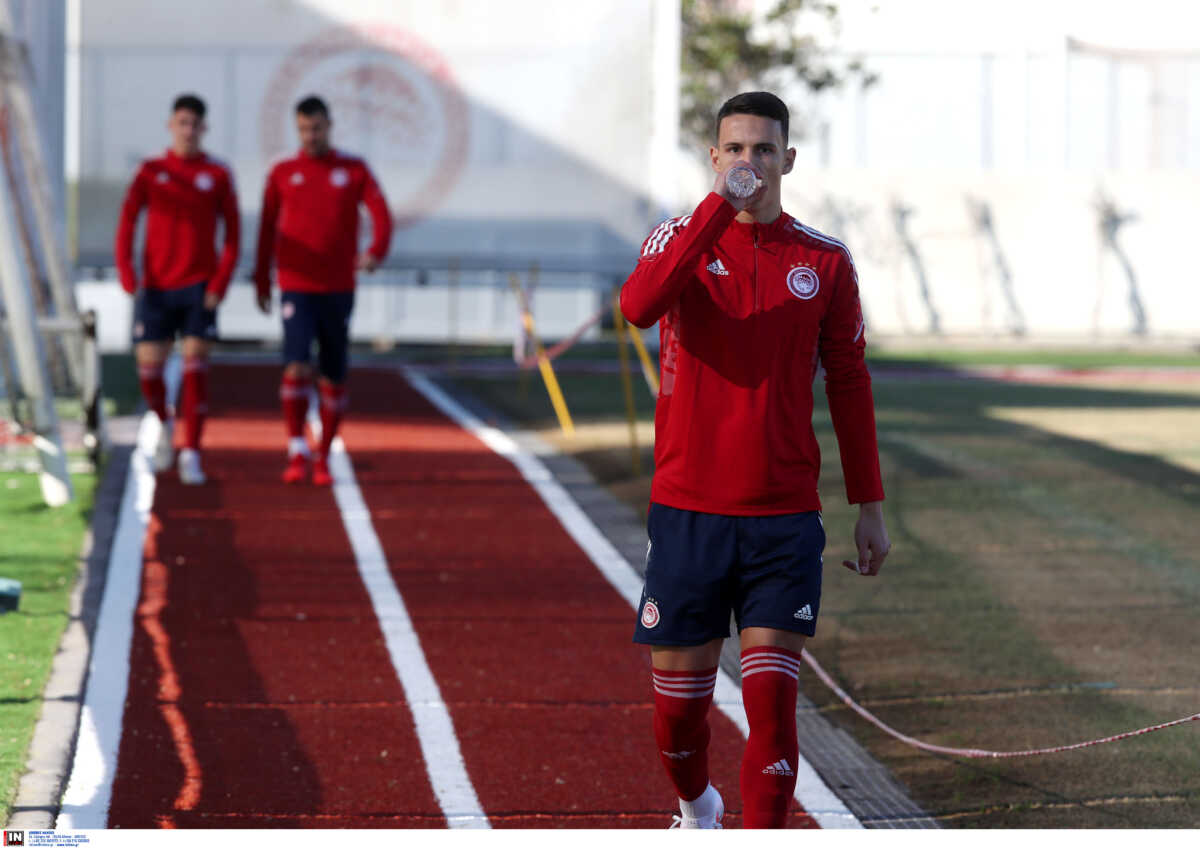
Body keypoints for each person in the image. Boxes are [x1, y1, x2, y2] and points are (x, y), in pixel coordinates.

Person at [620, 91, 891, 829]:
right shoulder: (679, 237)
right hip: (687, 516)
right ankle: (695, 806)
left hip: (782, 522)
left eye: (764, 151)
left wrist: (870, 506)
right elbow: (639, 306)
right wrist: (714, 211)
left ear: (788, 161)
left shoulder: (824, 262)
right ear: (714, 159)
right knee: (678, 724)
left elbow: (850, 381)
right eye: (735, 150)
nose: (749, 164)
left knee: (772, 715)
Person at [252, 95, 392, 486]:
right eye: (302, 129)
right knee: (296, 365)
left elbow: (381, 214)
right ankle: (297, 447)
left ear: (329, 126)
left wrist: (375, 252)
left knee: (332, 374)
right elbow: (266, 227)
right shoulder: (282, 171)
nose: (310, 136)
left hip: (338, 286)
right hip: (296, 286)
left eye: (316, 128)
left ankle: (324, 453)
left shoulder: (353, 169)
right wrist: (262, 278)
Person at [115, 93, 240, 485]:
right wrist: (127, 274)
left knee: (195, 371)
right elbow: (127, 222)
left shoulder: (217, 174)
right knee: (149, 374)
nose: (188, 130)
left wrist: (219, 282)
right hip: (155, 288)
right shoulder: (151, 170)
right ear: (170, 125)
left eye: (194, 124)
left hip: (198, 289)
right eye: (181, 123)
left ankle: (193, 453)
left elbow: (233, 234)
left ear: (204, 128)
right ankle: (165, 425)